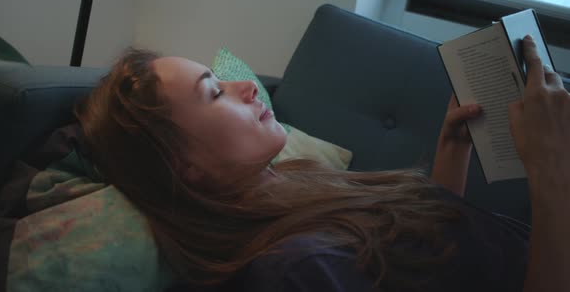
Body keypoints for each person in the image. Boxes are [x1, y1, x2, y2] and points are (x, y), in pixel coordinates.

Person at [75, 35, 570, 292]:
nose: (246, 86)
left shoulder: (295, 182)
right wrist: (552, 177)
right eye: (213, 91)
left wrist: (453, 149)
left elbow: (431, 261)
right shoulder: (300, 271)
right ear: (182, 166)